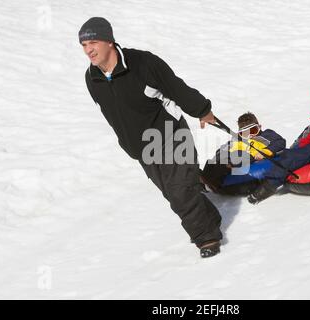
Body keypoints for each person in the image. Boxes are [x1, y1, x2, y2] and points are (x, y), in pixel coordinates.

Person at [79, 17, 222, 258]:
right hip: (142, 149)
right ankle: (210, 217)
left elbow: (176, 88)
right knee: (175, 194)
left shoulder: (143, 64)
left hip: (170, 134)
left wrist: (202, 111)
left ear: (109, 41)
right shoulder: (92, 78)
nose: (88, 50)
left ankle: (206, 239)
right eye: (83, 45)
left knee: (180, 193)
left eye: (93, 42)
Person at [201, 112, 286, 196]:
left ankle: (214, 181)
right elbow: (222, 149)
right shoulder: (237, 139)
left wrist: (265, 152)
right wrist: (220, 156)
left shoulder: (267, 134)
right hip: (231, 159)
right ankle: (202, 182)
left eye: (253, 130)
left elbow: (280, 142)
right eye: (245, 133)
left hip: (251, 157)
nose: (250, 136)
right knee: (212, 162)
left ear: (259, 127)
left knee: (239, 155)